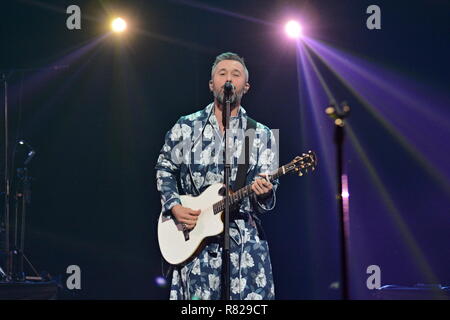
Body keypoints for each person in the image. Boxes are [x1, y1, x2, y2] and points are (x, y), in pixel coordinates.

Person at [155, 52, 279, 300]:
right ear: (211, 84)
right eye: (222, 74)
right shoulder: (186, 126)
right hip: (195, 247)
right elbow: (164, 167)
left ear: (246, 86)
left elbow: (267, 197)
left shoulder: (262, 134)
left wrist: (265, 193)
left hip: (244, 250)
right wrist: (174, 206)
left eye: (236, 74)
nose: (228, 79)